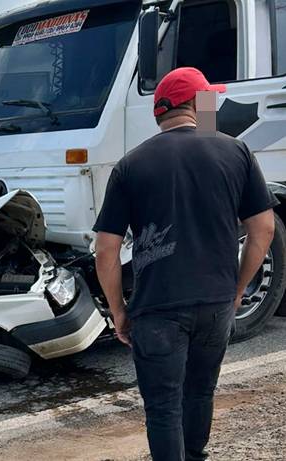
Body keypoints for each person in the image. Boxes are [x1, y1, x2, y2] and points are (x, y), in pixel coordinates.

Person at [93, 67, 277, 461]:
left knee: (163, 407)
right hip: (215, 304)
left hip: (157, 309)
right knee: (200, 391)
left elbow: (106, 250)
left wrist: (119, 312)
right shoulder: (235, 150)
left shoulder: (130, 165)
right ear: (196, 104)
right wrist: (239, 288)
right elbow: (263, 229)